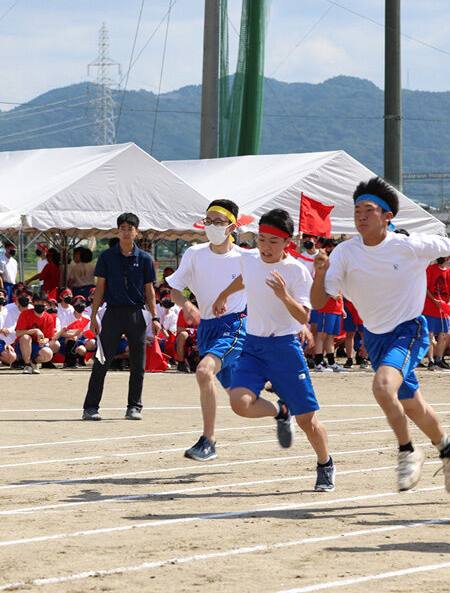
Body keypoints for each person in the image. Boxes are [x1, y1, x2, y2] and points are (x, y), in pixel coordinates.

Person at [314, 178, 450, 493]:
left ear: (387, 216)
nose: (360, 217)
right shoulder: (344, 253)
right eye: (357, 210)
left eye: (368, 210)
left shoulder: (408, 245)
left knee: (383, 388)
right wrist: (319, 273)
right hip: (375, 336)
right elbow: (318, 302)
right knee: (412, 405)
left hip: (408, 330)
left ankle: (407, 452)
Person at [210, 208, 334, 491]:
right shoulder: (251, 258)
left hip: (285, 349)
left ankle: (325, 463)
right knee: (239, 404)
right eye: (261, 240)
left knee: (307, 421)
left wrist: (283, 294)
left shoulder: (297, 271)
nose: (265, 247)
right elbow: (246, 277)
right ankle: (280, 410)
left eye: (272, 242)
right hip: (253, 346)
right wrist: (223, 295)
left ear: (287, 242)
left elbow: (303, 317)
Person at [166, 198, 249, 462]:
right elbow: (174, 289)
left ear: (232, 226)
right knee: (240, 401)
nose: (212, 226)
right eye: (208, 221)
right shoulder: (194, 253)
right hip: (206, 328)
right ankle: (281, 410)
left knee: (203, 372)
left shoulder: (245, 257)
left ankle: (208, 441)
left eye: (219, 222)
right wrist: (187, 304)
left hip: (235, 325)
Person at [81, 213, 158, 421]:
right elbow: (100, 287)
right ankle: (90, 407)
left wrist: (155, 316)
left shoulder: (145, 258)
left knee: (138, 364)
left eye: (130, 228)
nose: (126, 231)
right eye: (122, 228)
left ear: (137, 232)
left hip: (136, 313)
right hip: (112, 313)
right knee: (101, 361)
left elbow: (149, 290)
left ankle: (134, 407)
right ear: (118, 231)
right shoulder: (107, 257)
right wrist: (93, 315)